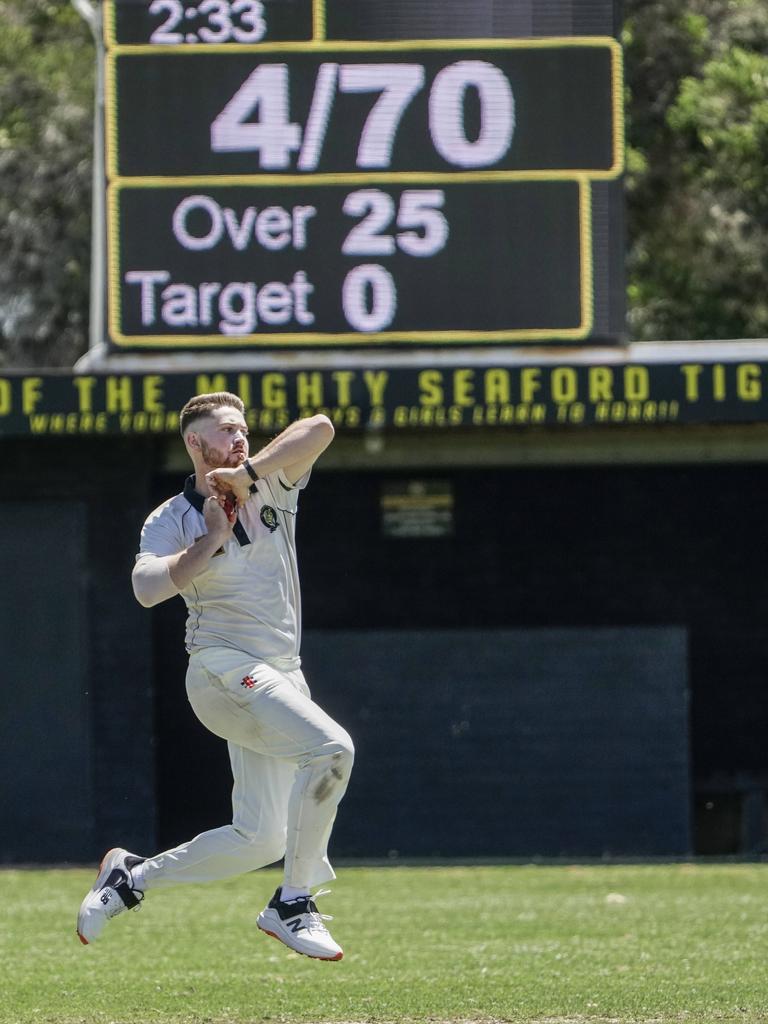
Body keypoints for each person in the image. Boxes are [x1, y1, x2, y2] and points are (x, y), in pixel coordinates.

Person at [76, 392, 354, 961]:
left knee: (261, 838)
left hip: (278, 675)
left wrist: (248, 472)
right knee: (331, 751)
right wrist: (211, 539)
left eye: (243, 430)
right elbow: (147, 590)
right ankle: (293, 903)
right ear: (193, 444)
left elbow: (320, 427)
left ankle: (129, 878)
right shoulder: (170, 518)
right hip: (222, 671)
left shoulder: (272, 483)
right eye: (226, 431)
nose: (239, 438)